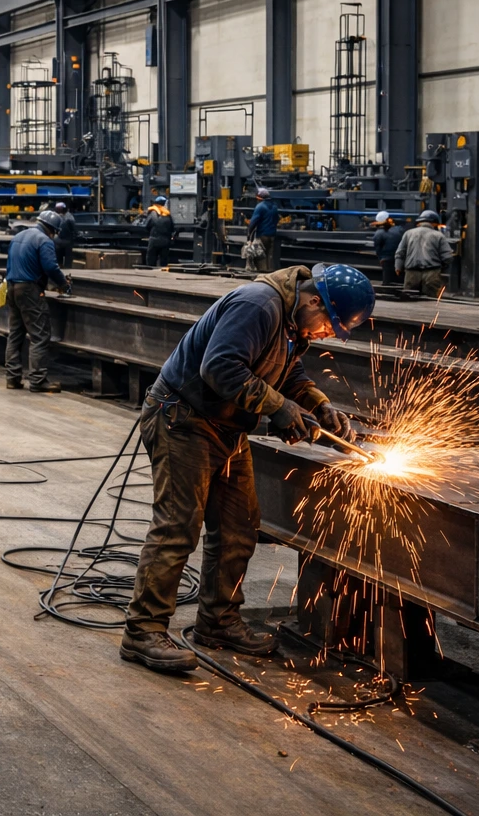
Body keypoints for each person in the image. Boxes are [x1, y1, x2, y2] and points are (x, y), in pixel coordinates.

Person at [119, 263, 375, 672]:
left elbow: (287, 369)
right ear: (314, 301)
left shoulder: (293, 320)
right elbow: (220, 367)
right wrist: (279, 408)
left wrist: (316, 402)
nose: (327, 334)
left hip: (225, 425)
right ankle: (142, 631)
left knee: (239, 526)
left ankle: (217, 622)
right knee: (178, 526)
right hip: (184, 419)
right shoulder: (259, 305)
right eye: (329, 325)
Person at [4, 211, 71, 393]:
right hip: (29, 290)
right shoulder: (44, 240)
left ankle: (12, 378)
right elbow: (50, 267)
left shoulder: (18, 236)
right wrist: (63, 284)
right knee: (39, 335)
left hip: (11, 286)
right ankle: (38, 380)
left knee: (15, 334)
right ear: (52, 229)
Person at [396, 210, 453, 297]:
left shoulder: (408, 233)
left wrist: (398, 267)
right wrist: (442, 267)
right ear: (433, 223)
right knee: (431, 300)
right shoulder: (438, 235)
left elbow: (400, 252)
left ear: (419, 222)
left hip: (411, 273)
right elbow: (447, 256)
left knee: (409, 298)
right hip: (432, 272)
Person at [247, 188, 280, 272]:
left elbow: (253, 223)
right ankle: (270, 273)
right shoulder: (274, 206)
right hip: (272, 235)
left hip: (262, 235)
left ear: (259, 198)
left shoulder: (260, 207)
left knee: (260, 256)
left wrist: (249, 236)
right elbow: (277, 220)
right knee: (270, 256)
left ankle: (262, 274)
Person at [371, 211, 405, 286]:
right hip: (400, 258)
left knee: (387, 281)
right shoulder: (400, 230)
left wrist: (381, 258)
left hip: (386, 259)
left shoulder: (378, 233)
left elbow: (378, 248)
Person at [144, 196, 175, 267]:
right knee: (164, 259)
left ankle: (151, 272)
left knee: (151, 258)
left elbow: (146, 226)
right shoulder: (167, 214)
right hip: (166, 240)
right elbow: (172, 228)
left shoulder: (152, 213)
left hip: (154, 239)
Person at [53, 202, 79, 271]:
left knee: (68, 256)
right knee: (59, 255)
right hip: (59, 240)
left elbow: (73, 229)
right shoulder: (57, 216)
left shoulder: (69, 217)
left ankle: (68, 268)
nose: (58, 210)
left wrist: (74, 236)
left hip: (67, 239)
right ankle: (60, 266)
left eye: (59, 208)